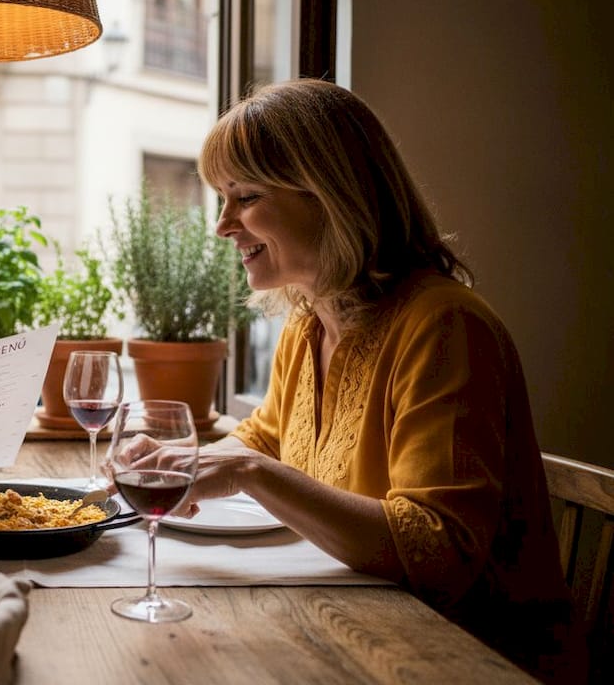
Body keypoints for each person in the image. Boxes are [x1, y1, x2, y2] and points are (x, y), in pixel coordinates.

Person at [125, 79, 575, 681]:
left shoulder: (445, 327)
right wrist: (181, 460)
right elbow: (264, 439)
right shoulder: (310, 324)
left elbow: (438, 551)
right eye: (221, 200)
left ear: (331, 195)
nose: (222, 225)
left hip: (458, 660)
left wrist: (248, 473)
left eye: (246, 196)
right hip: (346, 633)